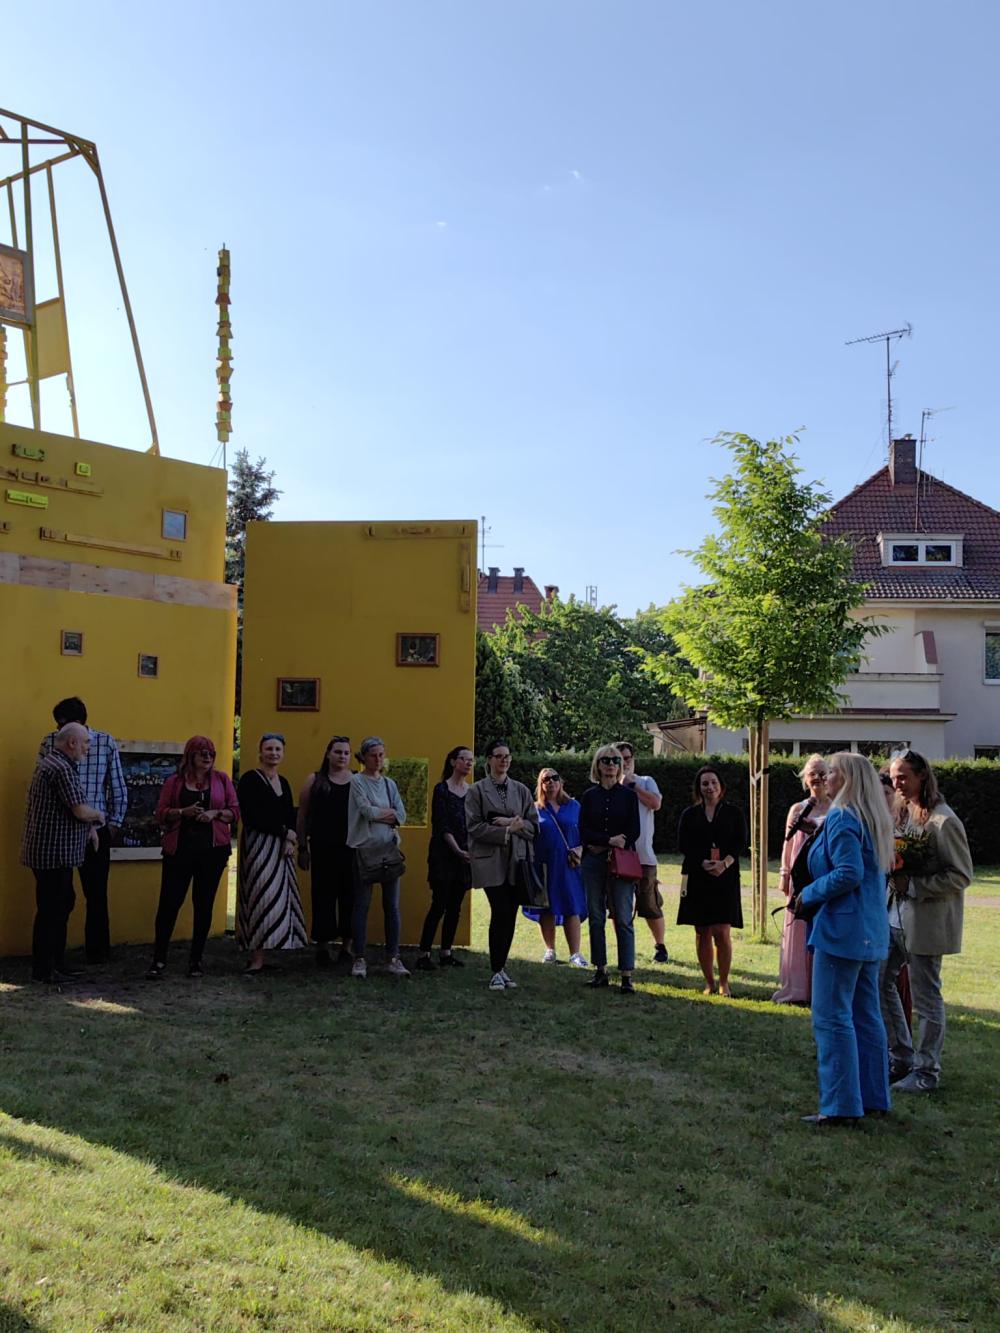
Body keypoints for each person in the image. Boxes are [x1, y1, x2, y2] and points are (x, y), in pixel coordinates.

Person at [797, 752, 894, 1127]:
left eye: (833, 772)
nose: (826, 777)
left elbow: (848, 873)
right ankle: (873, 1097)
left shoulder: (842, 816)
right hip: (870, 931)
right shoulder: (871, 818)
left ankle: (839, 1105)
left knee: (832, 1017)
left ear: (848, 779)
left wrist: (808, 894)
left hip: (842, 932)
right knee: (866, 1016)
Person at [885, 750, 973, 1093]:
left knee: (926, 999)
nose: (896, 783)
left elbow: (961, 875)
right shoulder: (903, 813)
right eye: (894, 777)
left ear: (922, 775)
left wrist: (915, 885)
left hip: (925, 923)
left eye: (903, 776)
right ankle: (901, 1056)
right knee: (879, 982)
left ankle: (926, 1072)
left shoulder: (944, 821)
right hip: (894, 917)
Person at [38, 696, 127, 963]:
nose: (58, 729)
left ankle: (97, 952)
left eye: (62, 724)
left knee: (96, 893)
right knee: (60, 895)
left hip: (94, 828)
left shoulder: (105, 742)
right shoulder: (51, 744)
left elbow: (117, 785)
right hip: (62, 830)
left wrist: (113, 824)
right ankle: (55, 955)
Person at [147, 736, 239, 979]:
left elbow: (235, 811)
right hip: (179, 851)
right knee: (169, 903)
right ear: (191, 755)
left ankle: (196, 960)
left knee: (204, 904)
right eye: (202, 753)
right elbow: (160, 813)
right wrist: (182, 812)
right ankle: (159, 958)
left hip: (213, 852)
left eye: (211, 753)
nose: (207, 757)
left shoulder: (222, 780)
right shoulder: (174, 782)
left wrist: (215, 813)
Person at [21, 723, 105, 983]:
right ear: (72, 743)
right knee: (52, 910)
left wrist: (89, 828)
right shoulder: (60, 768)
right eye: (86, 743)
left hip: (52, 852)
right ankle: (45, 969)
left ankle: (55, 962)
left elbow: (69, 810)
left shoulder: (53, 764)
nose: (88, 748)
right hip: (53, 854)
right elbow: (79, 809)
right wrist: (99, 815)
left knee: (62, 903)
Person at [466, 740, 538, 991]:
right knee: (500, 911)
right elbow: (474, 827)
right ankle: (496, 970)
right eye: (499, 756)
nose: (504, 760)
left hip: (517, 860)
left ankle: (501, 967)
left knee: (510, 914)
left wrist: (510, 824)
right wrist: (507, 831)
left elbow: (533, 826)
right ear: (489, 759)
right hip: (490, 861)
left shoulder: (521, 790)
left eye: (507, 756)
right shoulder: (476, 791)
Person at [236, 733, 307, 974]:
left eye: (278, 749)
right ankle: (255, 957)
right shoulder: (250, 780)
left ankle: (270, 949)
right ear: (260, 752)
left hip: (281, 845)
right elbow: (252, 816)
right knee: (259, 895)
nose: (273, 753)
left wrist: (290, 839)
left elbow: (288, 813)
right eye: (269, 749)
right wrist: (284, 832)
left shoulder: (283, 782)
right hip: (259, 845)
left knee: (279, 898)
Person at [677, 765, 745, 996]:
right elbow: (683, 844)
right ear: (699, 788)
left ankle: (724, 982)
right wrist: (701, 862)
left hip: (726, 876)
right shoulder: (689, 814)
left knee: (722, 931)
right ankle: (709, 982)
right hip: (697, 876)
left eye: (713, 782)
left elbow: (740, 842)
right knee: (702, 931)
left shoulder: (734, 813)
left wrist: (724, 863)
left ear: (721, 786)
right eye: (705, 783)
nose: (710, 787)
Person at [579, 744, 641, 994]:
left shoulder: (628, 796)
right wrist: (607, 840)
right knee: (596, 916)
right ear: (598, 764)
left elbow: (634, 830)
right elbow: (583, 831)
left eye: (616, 760)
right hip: (593, 862)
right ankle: (600, 970)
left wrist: (614, 842)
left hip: (621, 861)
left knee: (624, 917)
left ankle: (626, 974)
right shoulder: (589, 796)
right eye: (606, 760)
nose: (611, 765)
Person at [347, 737, 410, 978]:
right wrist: (388, 813)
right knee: (362, 904)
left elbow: (401, 815)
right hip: (364, 850)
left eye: (381, 754)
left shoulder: (389, 784)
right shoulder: (357, 781)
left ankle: (393, 957)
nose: (378, 759)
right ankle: (359, 958)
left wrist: (384, 814)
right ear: (364, 757)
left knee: (392, 905)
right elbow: (366, 811)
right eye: (373, 755)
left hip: (388, 850)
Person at [772, 754, 831, 1004]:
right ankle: (798, 987)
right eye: (812, 773)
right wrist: (784, 875)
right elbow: (787, 846)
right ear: (805, 779)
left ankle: (821, 986)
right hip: (800, 876)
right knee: (798, 928)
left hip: (825, 875)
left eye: (822, 773)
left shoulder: (838, 809)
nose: (817, 777)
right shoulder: (797, 809)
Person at [297, 736, 354, 967]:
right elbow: (302, 815)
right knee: (323, 897)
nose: (342, 756)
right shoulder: (314, 780)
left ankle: (347, 947)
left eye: (346, 753)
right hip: (322, 849)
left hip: (351, 849)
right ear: (328, 753)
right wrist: (302, 847)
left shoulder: (358, 781)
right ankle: (322, 946)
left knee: (350, 898)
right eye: (338, 752)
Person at [415, 746, 474, 970]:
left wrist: (467, 851)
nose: (468, 763)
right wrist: (457, 849)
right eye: (464, 759)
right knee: (439, 903)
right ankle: (424, 953)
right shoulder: (441, 789)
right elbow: (441, 825)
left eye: (471, 760)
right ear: (452, 762)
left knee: (455, 906)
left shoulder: (472, 793)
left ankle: (446, 952)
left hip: (464, 857)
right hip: (443, 855)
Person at [526, 768, 587, 967]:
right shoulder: (534, 809)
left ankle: (575, 953)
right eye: (546, 779)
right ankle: (550, 950)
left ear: (561, 782)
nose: (551, 782)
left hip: (569, 865)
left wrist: (581, 849)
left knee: (572, 906)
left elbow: (587, 833)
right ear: (541, 785)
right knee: (546, 907)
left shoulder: (574, 806)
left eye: (554, 778)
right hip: (544, 864)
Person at [618, 741, 668, 964]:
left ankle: (660, 946)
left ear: (633, 759)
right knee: (618, 906)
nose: (624, 763)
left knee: (649, 904)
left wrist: (633, 787)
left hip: (644, 856)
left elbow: (655, 804)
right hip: (618, 856)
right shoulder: (609, 786)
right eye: (619, 759)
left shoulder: (646, 781)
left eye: (627, 758)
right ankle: (624, 945)